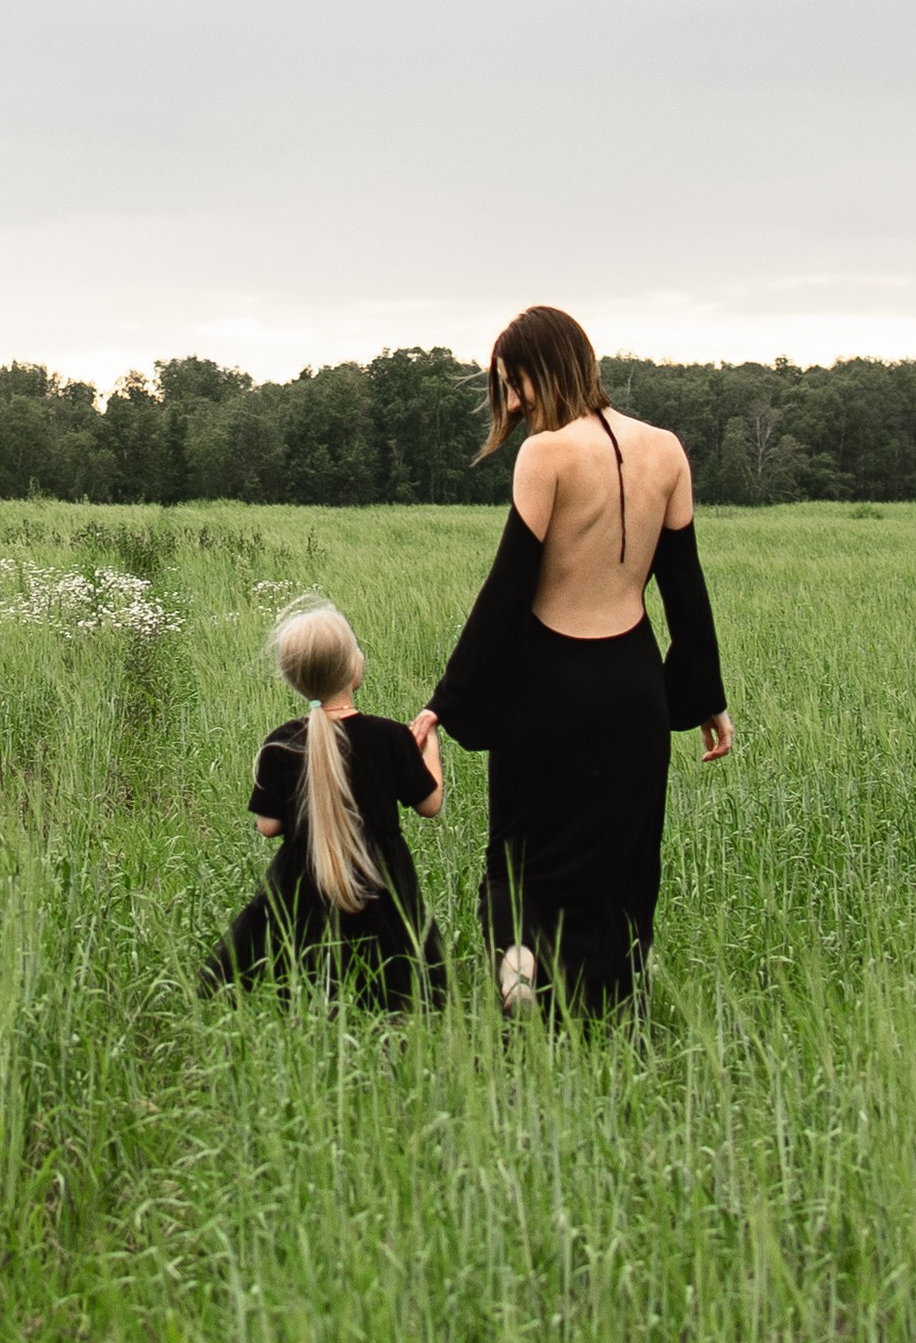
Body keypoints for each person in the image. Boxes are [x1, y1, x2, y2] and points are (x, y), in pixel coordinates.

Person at [416, 305, 733, 1016]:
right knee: (622, 858)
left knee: (518, 857)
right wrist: (706, 696)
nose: (513, 403)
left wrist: (447, 701)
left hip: (546, 687)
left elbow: (507, 589)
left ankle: (521, 962)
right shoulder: (667, 451)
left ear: (549, 366)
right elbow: (685, 588)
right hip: (633, 691)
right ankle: (618, 1001)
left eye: (515, 383)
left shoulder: (546, 454)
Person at [202, 596, 449, 1010]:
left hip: (304, 882)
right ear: (352, 668)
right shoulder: (389, 737)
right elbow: (430, 804)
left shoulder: (281, 743)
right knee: (392, 987)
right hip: (380, 882)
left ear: (295, 678)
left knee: (306, 976)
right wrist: (430, 746)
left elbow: (268, 826)